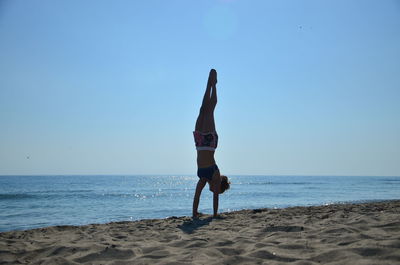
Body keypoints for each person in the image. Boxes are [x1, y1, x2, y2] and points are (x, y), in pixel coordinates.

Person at [192, 69, 230, 218]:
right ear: (218, 185)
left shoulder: (202, 178)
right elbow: (215, 198)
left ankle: (209, 85)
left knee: (202, 110)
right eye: (217, 190)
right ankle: (213, 85)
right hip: (208, 142)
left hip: (199, 143)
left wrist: (194, 213)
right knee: (210, 111)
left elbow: (197, 196)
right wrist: (215, 215)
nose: (214, 192)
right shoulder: (214, 174)